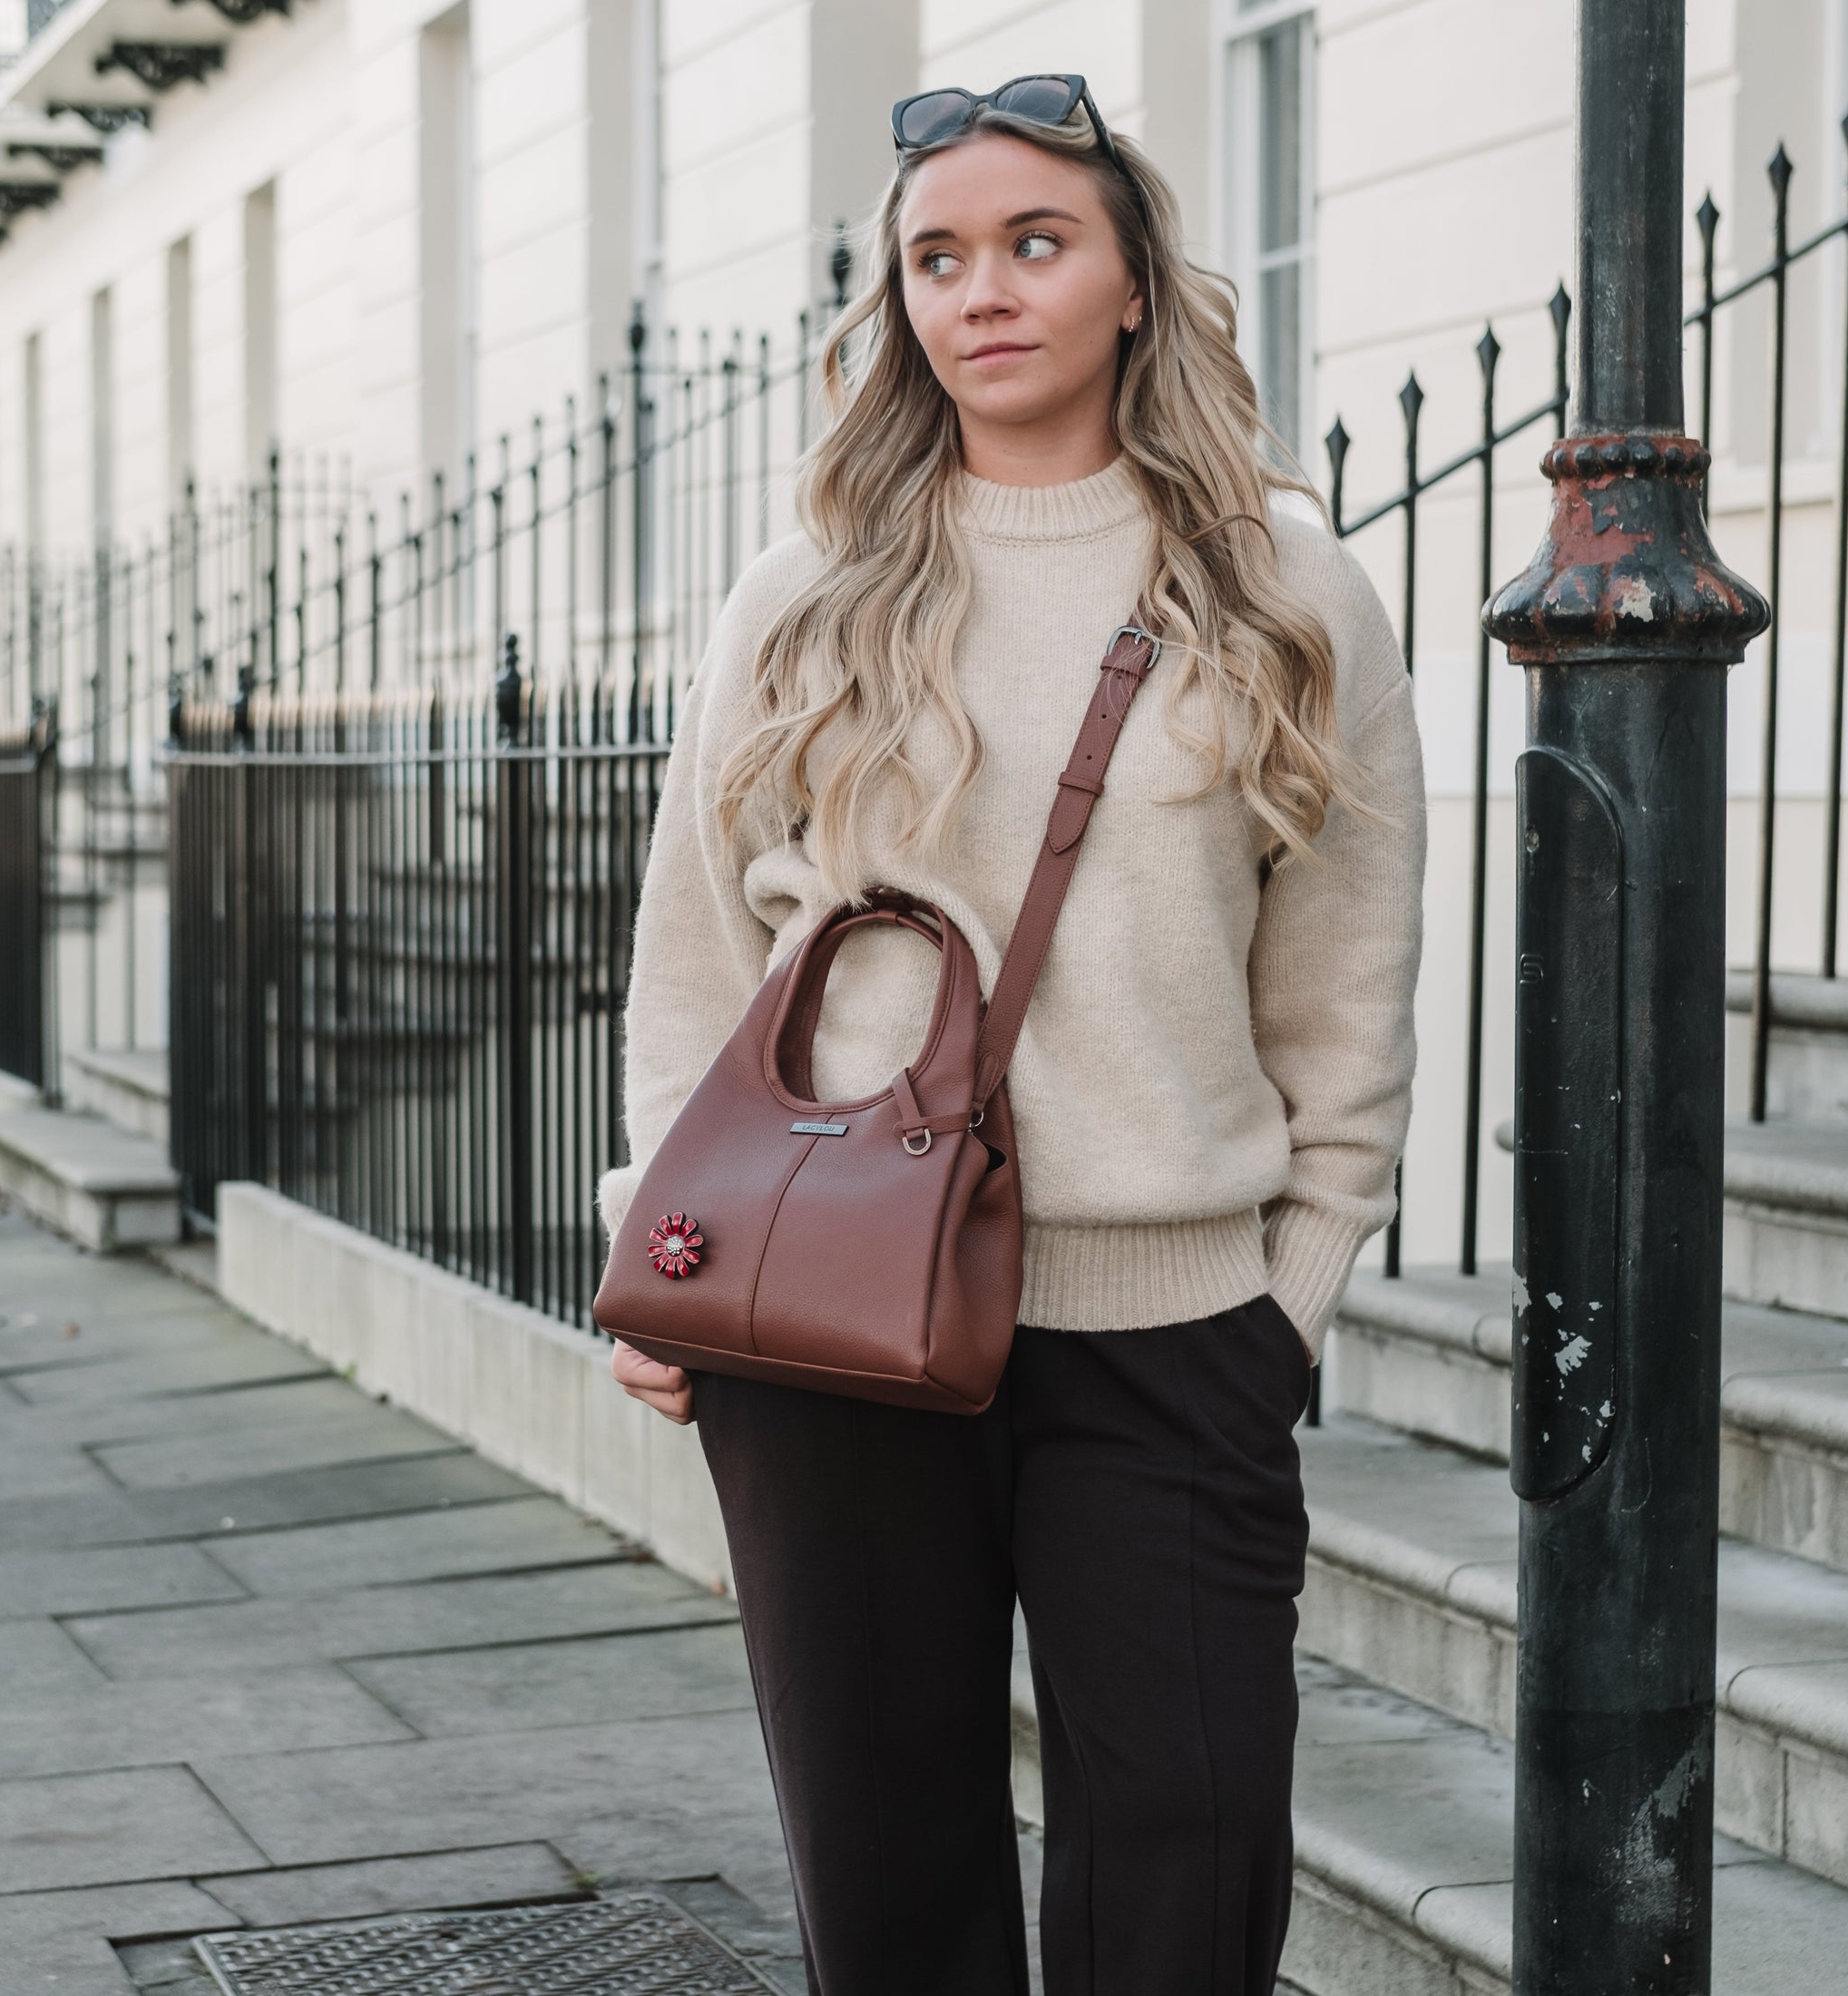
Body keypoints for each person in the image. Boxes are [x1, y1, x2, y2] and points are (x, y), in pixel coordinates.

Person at [599, 73, 1424, 1996]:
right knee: (888, 1876)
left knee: (1187, 1860)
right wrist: (663, 1241)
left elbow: (1346, 986)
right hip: (828, 1323)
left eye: (1034, 243)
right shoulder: (803, 594)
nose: (980, 292)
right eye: (934, 259)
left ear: (1133, 278)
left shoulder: (1286, 593)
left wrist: (1283, 1292)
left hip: (1170, 1336)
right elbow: (698, 952)